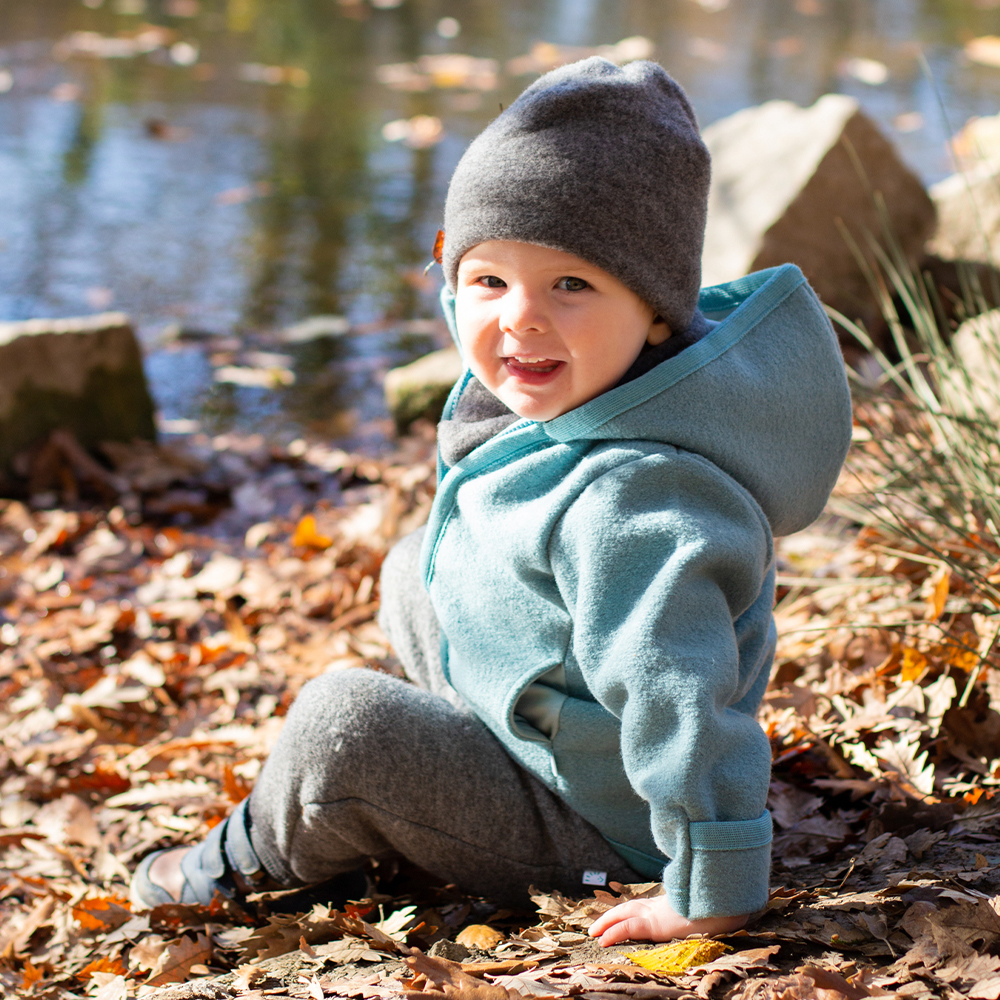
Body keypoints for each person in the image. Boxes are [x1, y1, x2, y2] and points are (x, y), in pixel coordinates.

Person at [130, 56, 852, 946]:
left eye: (572, 285)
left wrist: (710, 882)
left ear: (658, 311)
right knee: (415, 568)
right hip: (558, 723)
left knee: (342, 726)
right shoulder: (581, 392)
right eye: (489, 281)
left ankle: (246, 859)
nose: (520, 318)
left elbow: (682, 699)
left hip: (603, 821)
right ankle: (462, 739)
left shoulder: (637, 500)